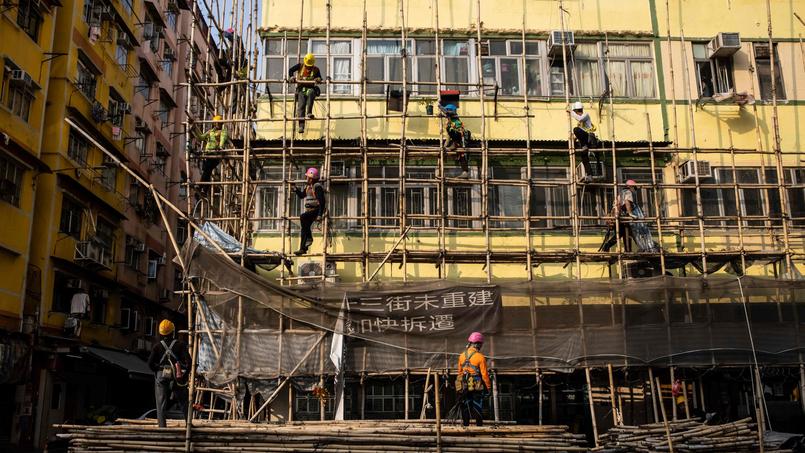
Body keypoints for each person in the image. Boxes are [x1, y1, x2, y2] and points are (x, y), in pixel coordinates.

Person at [148, 319, 190, 428]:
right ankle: (188, 424)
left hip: (161, 374)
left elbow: (150, 363)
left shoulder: (157, 346)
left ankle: (162, 427)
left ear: (161, 333)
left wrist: (157, 370)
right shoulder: (180, 344)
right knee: (183, 401)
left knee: (161, 402)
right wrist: (184, 376)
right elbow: (189, 363)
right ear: (173, 331)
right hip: (177, 375)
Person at [456, 332, 492, 427]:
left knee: (465, 405)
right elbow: (484, 375)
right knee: (477, 405)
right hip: (476, 384)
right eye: (481, 344)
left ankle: (465, 426)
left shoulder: (461, 356)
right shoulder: (480, 357)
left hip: (463, 383)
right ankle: (479, 427)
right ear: (478, 344)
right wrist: (488, 387)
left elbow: (459, 372)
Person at [293, 167, 326, 256]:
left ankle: (310, 238)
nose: (306, 178)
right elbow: (302, 196)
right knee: (304, 229)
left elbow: (322, 202)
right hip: (310, 211)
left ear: (311, 178)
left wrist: (319, 215)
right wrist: (295, 189)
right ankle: (302, 248)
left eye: (307, 177)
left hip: (316, 210)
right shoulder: (308, 187)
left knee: (303, 217)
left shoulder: (317, 187)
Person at [288, 53, 323, 133]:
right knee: (301, 106)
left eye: (310, 66)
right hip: (301, 89)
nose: (308, 68)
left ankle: (309, 112)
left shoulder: (316, 69)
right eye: (307, 66)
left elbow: (320, 78)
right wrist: (291, 77)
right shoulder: (300, 66)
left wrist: (318, 79)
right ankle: (301, 126)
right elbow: (291, 70)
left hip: (310, 88)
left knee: (311, 94)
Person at [568, 101, 600, 182]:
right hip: (584, 141)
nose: (576, 113)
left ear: (577, 110)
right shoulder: (580, 124)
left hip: (590, 139)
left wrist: (570, 112)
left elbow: (579, 118)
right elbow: (580, 133)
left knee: (575, 129)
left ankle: (584, 146)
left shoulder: (585, 115)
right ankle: (589, 175)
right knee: (584, 158)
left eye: (576, 112)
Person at [194, 115, 229, 183]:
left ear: (221, 124)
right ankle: (204, 189)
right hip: (208, 153)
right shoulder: (210, 132)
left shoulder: (223, 132)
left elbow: (222, 139)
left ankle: (202, 187)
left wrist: (220, 146)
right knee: (207, 170)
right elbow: (201, 138)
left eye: (219, 123)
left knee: (207, 169)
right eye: (216, 123)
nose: (217, 124)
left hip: (216, 153)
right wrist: (195, 129)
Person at [441, 103, 471, 179]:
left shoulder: (454, 118)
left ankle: (465, 172)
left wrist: (440, 107)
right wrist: (445, 146)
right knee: (461, 155)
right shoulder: (450, 120)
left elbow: (452, 133)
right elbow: (449, 136)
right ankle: (465, 171)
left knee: (462, 155)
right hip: (457, 139)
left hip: (461, 138)